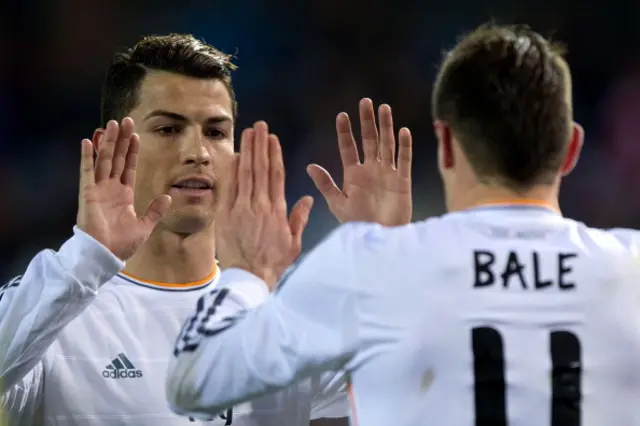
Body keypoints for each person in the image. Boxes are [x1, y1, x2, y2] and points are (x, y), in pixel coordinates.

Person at [166, 23, 640, 426]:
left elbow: (192, 379)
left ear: (447, 145)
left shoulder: (370, 266)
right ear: (571, 149)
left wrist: (248, 272)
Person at [0, 34, 348, 426]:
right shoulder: (54, 311)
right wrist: (88, 256)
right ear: (108, 148)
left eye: (216, 133)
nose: (197, 152)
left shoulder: (285, 316)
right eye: (168, 129)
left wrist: (386, 251)